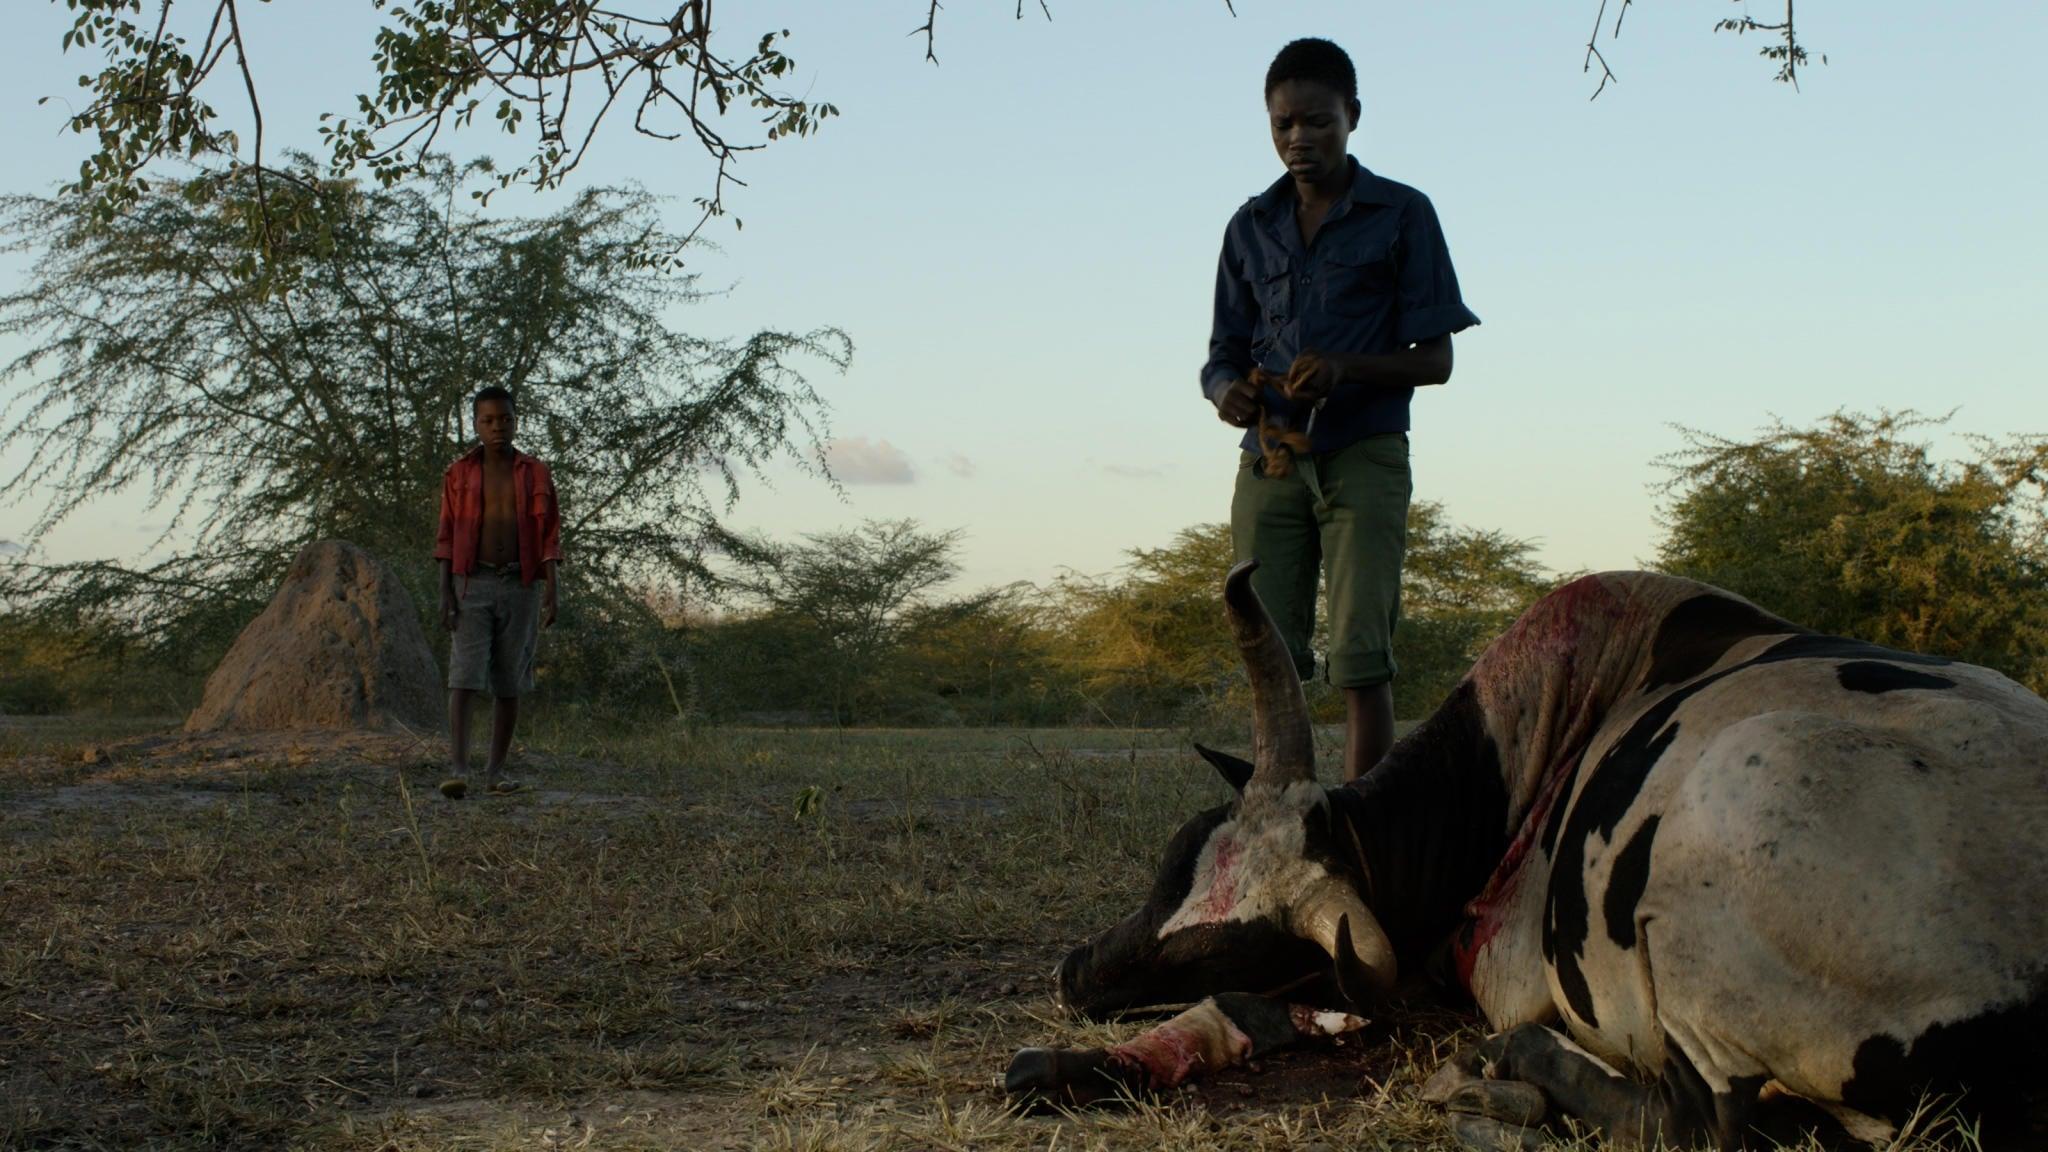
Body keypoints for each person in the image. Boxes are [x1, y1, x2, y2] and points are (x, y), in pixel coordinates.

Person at [1202, 37, 1480, 783]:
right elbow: (1222, 352)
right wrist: (1223, 390)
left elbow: (1438, 361)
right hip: (1272, 461)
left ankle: (1363, 835)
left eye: (1317, 122)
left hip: (1365, 455)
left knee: (1362, 658)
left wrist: (1346, 368)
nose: (1298, 139)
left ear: (1351, 116)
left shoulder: (1402, 214)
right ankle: (1282, 825)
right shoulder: (1248, 227)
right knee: (1270, 658)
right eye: (1283, 124)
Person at [434, 385, 561, 795]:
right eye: (487, 420)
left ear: (516, 421)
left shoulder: (535, 472)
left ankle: (496, 773)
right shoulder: (458, 473)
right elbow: (446, 537)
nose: (497, 427)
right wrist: (445, 593)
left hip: (520, 584)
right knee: (464, 678)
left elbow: (549, 534)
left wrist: (551, 588)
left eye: (505, 419)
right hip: (471, 582)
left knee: (510, 680)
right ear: (474, 424)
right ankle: (458, 768)